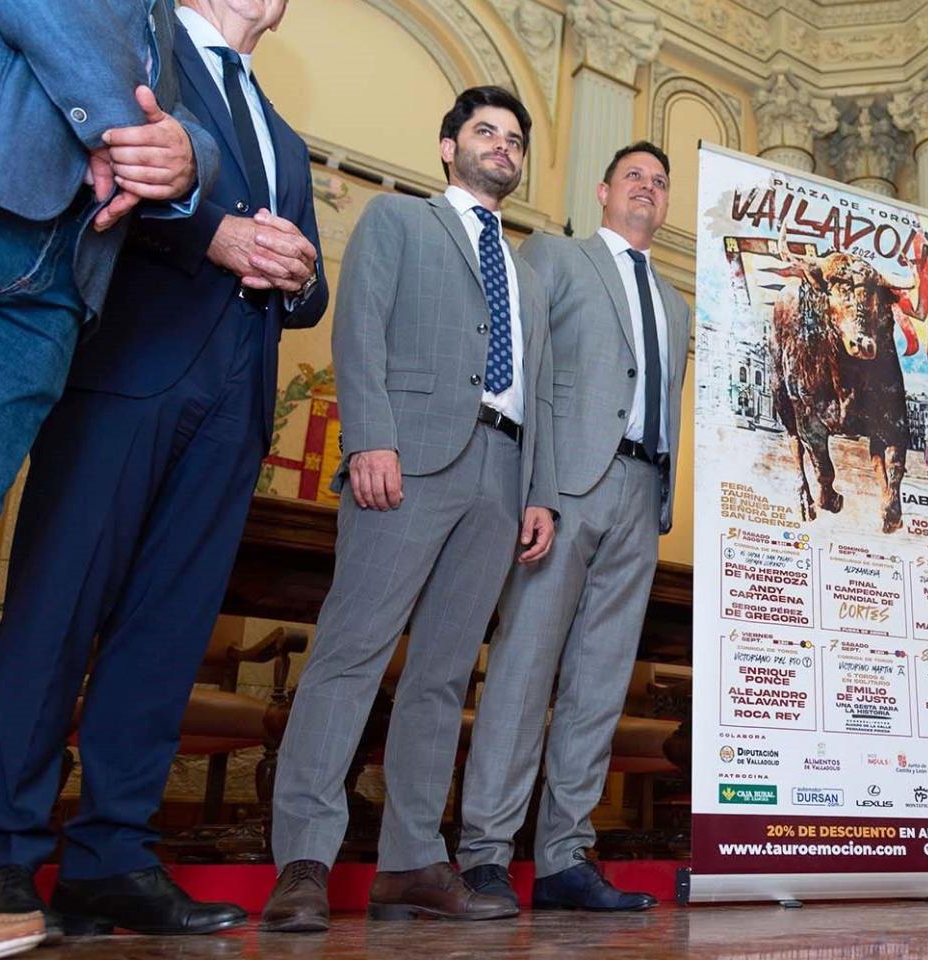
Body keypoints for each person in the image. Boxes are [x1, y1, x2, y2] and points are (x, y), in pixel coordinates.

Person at [0, 0, 323, 938]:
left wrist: (303, 272)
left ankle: (113, 856)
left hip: (236, 404)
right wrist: (215, 235)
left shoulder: (282, 132)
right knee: (55, 611)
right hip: (124, 373)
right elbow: (104, 180)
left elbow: (306, 296)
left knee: (167, 634)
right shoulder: (145, 56)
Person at [260, 86, 558, 931]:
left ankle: (411, 862)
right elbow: (359, 330)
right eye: (484, 131)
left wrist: (539, 493)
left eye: (513, 139)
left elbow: (541, 395)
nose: (501, 146)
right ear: (446, 146)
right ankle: (305, 861)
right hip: (409, 458)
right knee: (351, 655)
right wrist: (370, 440)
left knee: (440, 678)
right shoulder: (397, 222)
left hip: (501, 477)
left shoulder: (530, 279)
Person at [0, 0, 218, 666]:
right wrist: (128, 133)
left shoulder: (163, 19)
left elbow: (182, 118)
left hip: (60, 280)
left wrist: (187, 159)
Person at [456, 141, 690, 913]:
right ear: (602, 189)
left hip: (642, 493)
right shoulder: (556, 259)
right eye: (634, 177)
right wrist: (539, 488)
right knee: (523, 669)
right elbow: (524, 371)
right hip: (566, 488)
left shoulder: (677, 304)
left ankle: (564, 856)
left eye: (659, 183)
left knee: (597, 685)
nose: (647, 191)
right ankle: (486, 852)